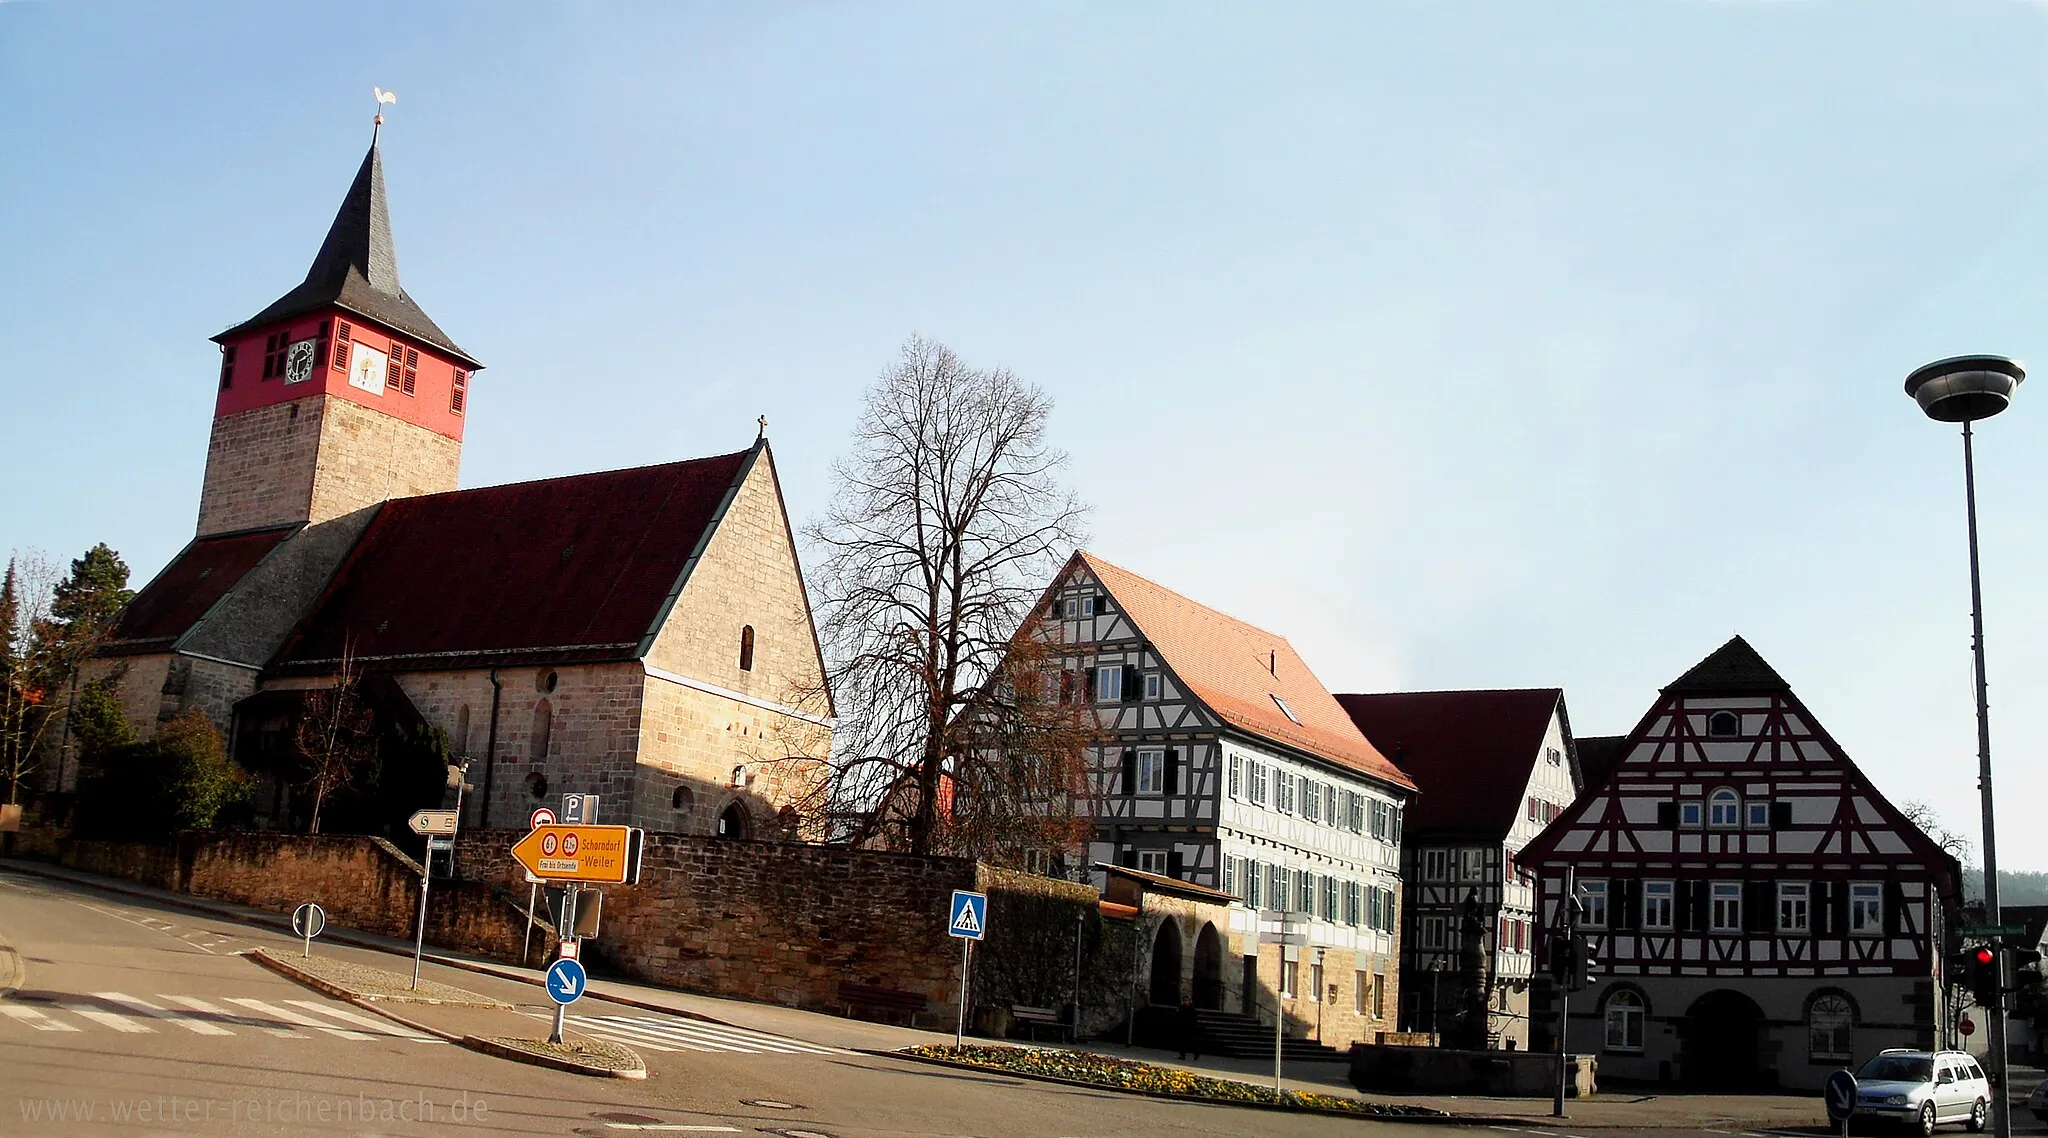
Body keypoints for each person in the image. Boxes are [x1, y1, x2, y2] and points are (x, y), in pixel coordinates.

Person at [1175, 995, 1202, 1061]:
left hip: (1190, 1027)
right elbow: (1179, 1016)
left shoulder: (1192, 1009)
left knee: (1192, 1042)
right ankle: (1182, 1055)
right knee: (1182, 1042)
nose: (1185, 1002)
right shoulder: (1181, 1008)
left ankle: (1196, 1054)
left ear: (1190, 1001)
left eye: (1186, 1000)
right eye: (1184, 1001)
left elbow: (1194, 1018)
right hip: (1183, 1027)